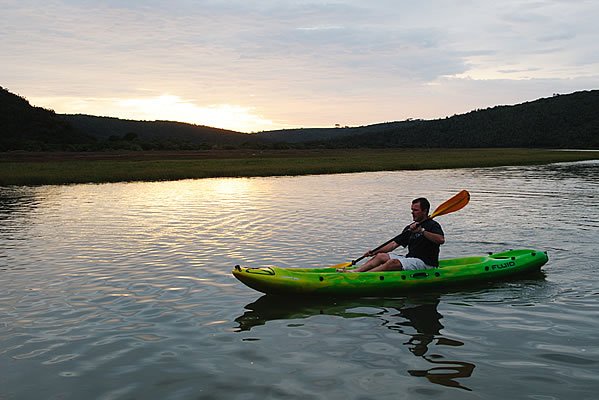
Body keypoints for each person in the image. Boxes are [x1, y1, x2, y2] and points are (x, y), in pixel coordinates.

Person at [352, 197, 445, 272]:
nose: (412, 212)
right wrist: (373, 252)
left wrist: (422, 231)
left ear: (424, 211)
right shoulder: (410, 228)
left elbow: (440, 240)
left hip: (426, 263)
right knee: (380, 256)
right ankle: (356, 271)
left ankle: (366, 276)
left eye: (416, 210)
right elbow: (392, 245)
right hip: (411, 259)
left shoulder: (433, 225)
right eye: (412, 209)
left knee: (393, 262)